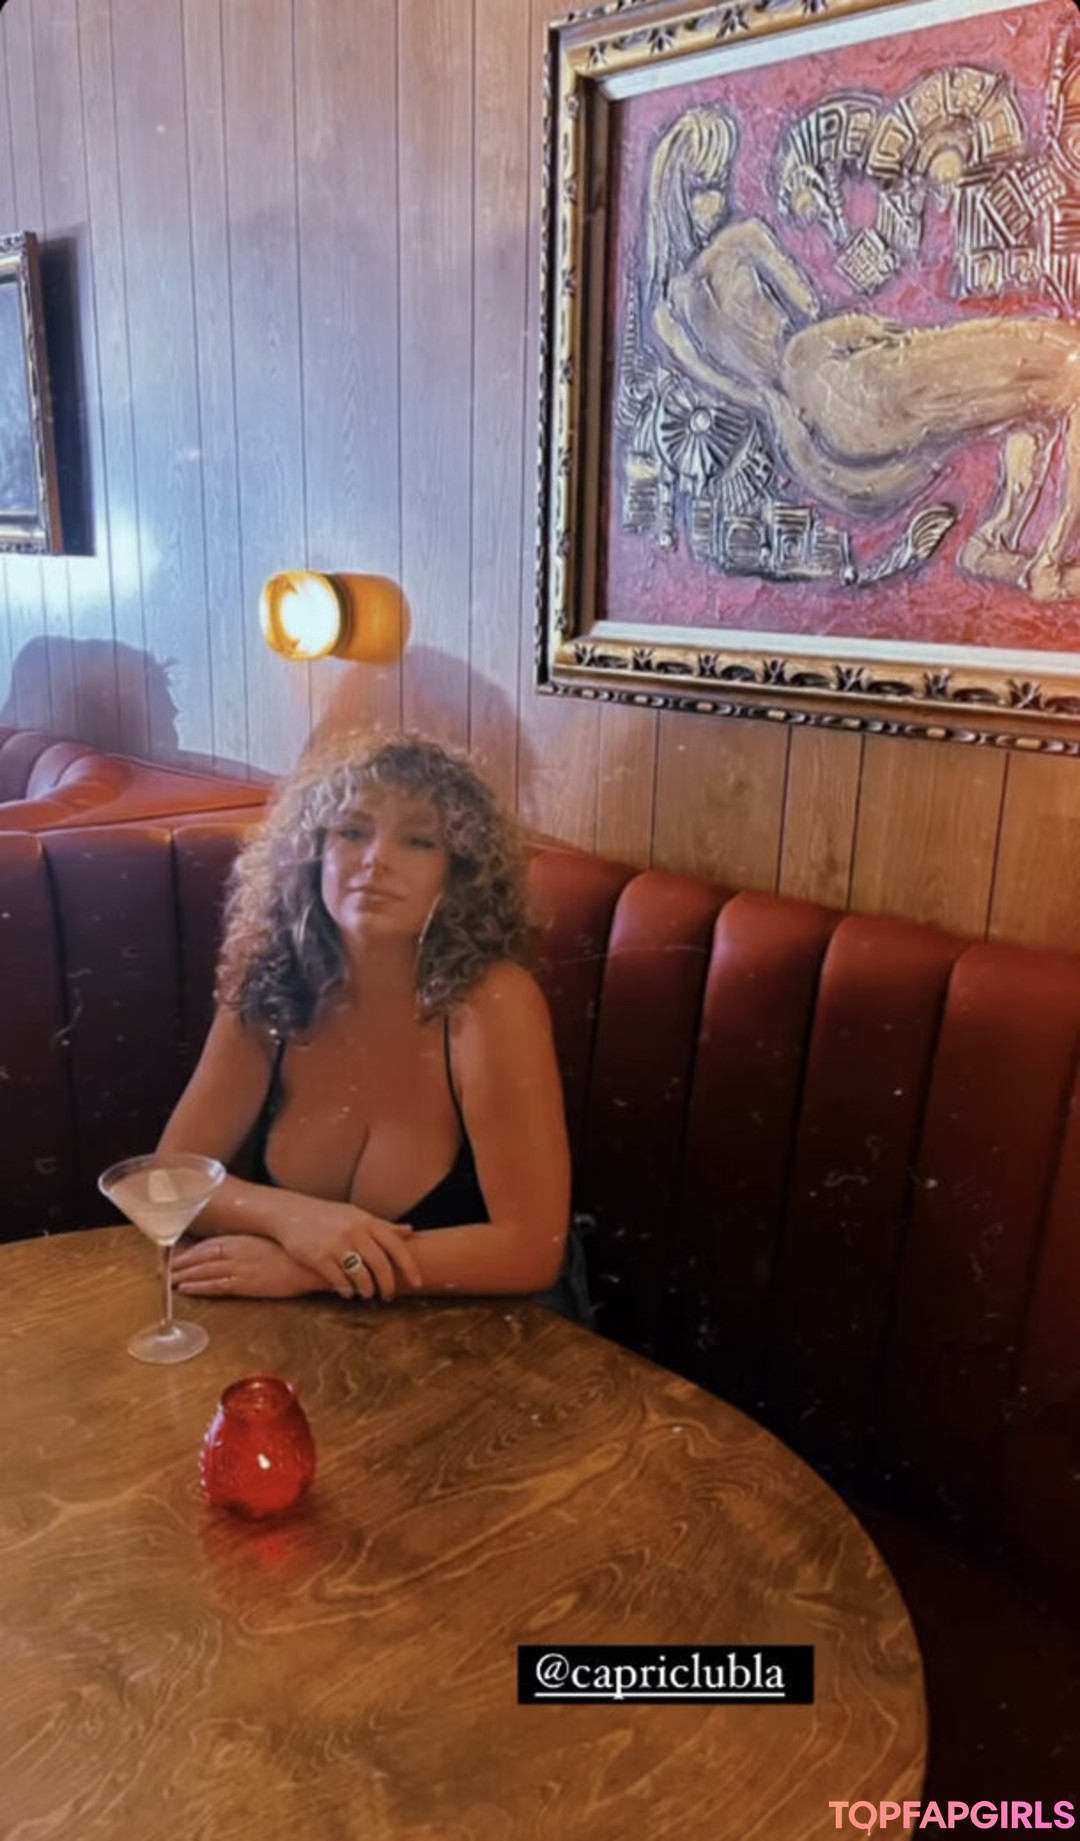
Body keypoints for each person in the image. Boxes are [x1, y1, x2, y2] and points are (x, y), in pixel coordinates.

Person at [165, 732, 592, 1323]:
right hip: (325, 1330)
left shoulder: (492, 1001)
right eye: (351, 832)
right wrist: (296, 1220)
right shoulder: (270, 980)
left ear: (460, 873)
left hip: (491, 1333)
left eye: (419, 841)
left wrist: (317, 1269)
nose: (376, 860)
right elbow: (171, 1178)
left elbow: (530, 1251)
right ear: (312, 852)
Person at [645, 104, 1080, 599]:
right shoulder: (744, 239)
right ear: (675, 192)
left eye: (720, 184)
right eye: (705, 187)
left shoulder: (667, 315)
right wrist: (867, 326)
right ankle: (1048, 561)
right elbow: (810, 307)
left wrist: (784, 413)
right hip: (840, 371)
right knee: (1061, 362)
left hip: (826, 435)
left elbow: (749, 392)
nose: (718, 202)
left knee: (1023, 391)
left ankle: (996, 541)